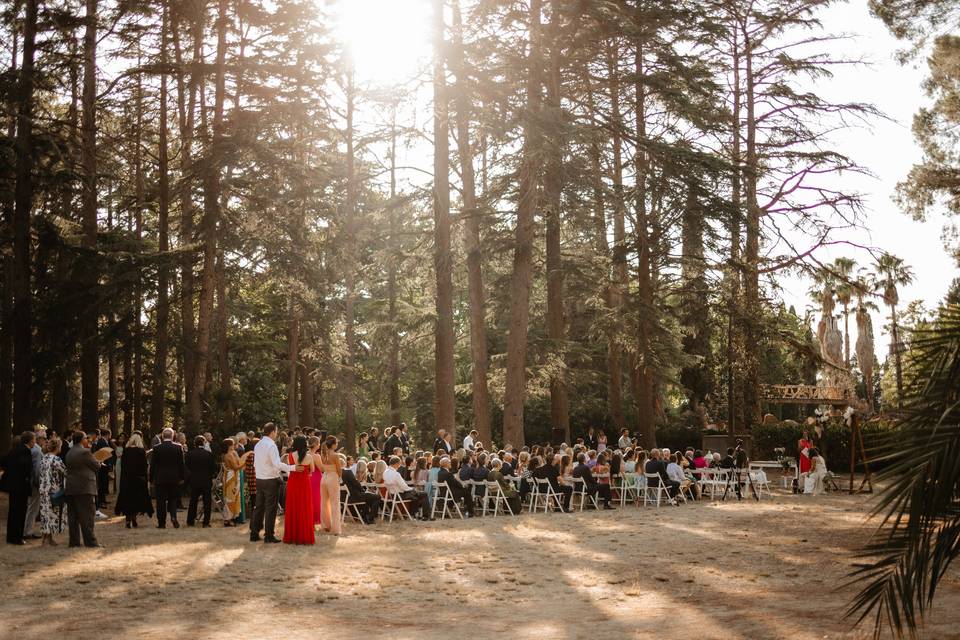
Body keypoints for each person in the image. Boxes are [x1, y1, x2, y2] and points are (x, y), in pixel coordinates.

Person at [250, 422, 299, 543]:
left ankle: (254, 533)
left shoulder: (258, 444)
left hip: (260, 478)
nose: (276, 434)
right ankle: (269, 535)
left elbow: (256, 463)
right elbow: (277, 464)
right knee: (271, 508)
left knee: (259, 507)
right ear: (272, 432)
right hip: (270, 480)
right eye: (276, 432)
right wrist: (293, 468)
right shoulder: (271, 445)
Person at [64, 431, 102, 548]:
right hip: (85, 488)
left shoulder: (69, 452)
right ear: (82, 440)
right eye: (86, 438)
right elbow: (97, 466)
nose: (88, 440)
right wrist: (98, 460)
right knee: (87, 516)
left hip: (71, 488)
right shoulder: (85, 452)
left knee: (73, 517)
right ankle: (91, 542)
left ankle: (74, 542)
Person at [282, 436, 317, 545]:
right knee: (304, 508)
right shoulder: (309, 457)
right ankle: (304, 535)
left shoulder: (290, 455)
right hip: (304, 484)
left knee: (293, 507)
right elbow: (313, 470)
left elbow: (290, 468)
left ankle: (292, 535)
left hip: (293, 483)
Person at [115, 433, 153, 528]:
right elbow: (144, 466)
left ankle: (128, 519)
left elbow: (123, 465)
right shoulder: (141, 451)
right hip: (138, 479)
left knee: (128, 499)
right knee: (136, 499)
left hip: (127, 479)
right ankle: (134, 518)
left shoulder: (126, 451)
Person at [151, 428, 186, 529]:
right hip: (174, 478)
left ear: (162, 436)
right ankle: (174, 517)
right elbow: (181, 464)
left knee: (160, 501)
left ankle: (161, 523)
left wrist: (151, 478)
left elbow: (153, 464)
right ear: (172, 436)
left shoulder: (157, 448)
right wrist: (182, 477)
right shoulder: (178, 447)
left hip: (160, 477)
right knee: (173, 499)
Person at [4, 431, 35, 544]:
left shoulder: (14, 450)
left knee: (13, 512)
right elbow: (26, 468)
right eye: (34, 440)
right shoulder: (25, 451)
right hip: (21, 487)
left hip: (13, 486)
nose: (34, 442)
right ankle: (17, 538)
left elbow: (5, 462)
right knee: (20, 512)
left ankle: (11, 537)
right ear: (30, 441)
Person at [185, 435, 218, 528]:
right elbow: (213, 468)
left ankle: (190, 521)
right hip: (206, 481)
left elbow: (187, 467)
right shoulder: (208, 454)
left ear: (194, 443)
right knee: (207, 502)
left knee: (193, 501)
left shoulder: (190, 454)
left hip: (194, 480)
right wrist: (209, 475)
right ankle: (206, 522)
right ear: (203, 443)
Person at [38, 438, 66, 545]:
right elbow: (65, 471)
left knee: (45, 513)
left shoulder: (44, 458)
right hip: (54, 490)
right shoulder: (56, 460)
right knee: (52, 514)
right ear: (58, 447)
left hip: (43, 489)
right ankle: (48, 539)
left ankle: (46, 538)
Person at [383, 455, 429, 520]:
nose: (400, 465)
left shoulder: (385, 472)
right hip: (400, 495)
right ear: (396, 464)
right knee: (424, 494)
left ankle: (414, 515)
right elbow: (404, 487)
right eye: (400, 463)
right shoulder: (396, 474)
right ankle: (426, 516)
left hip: (392, 495)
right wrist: (413, 489)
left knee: (415, 497)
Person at [316, 435, 343, 536]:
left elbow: (323, 468)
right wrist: (340, 477)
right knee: (335, 503)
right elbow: (339, 469)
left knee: (324, 503)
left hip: (324, 478)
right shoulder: (335, 455)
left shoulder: (323, 454)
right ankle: (335, 529)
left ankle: (326, 525)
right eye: (336, 443)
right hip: (332, 478)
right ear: (334, 444)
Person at [23, 428, 45, 539]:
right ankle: (28, 531)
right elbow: (36, 468)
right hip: (35, 482)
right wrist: (38, 482)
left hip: (31, 481)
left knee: (31, 507)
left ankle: (27, 529)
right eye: (43, 438)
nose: (45, 440)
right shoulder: (36, 450)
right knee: (33, 507)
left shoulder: (34, 449)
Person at [91, 428, 113, 511]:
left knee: (104, 483)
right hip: (102, 466)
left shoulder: (103, 441)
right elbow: (102, 454)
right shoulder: (102, 442)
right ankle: (101, 501)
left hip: (104, 465)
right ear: (107, 434)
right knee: (102, 483)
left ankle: (103, 500)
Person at [306, 436, 323, 530]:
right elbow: (321, 468)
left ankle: (310, 522)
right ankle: (315, 520)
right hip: (316, 479)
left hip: (308, 478)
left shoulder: (305, 454)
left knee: (309, 500)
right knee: (317, 500)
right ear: (316, 444)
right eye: (319, 443)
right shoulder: (316, 456)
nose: (319, 445)